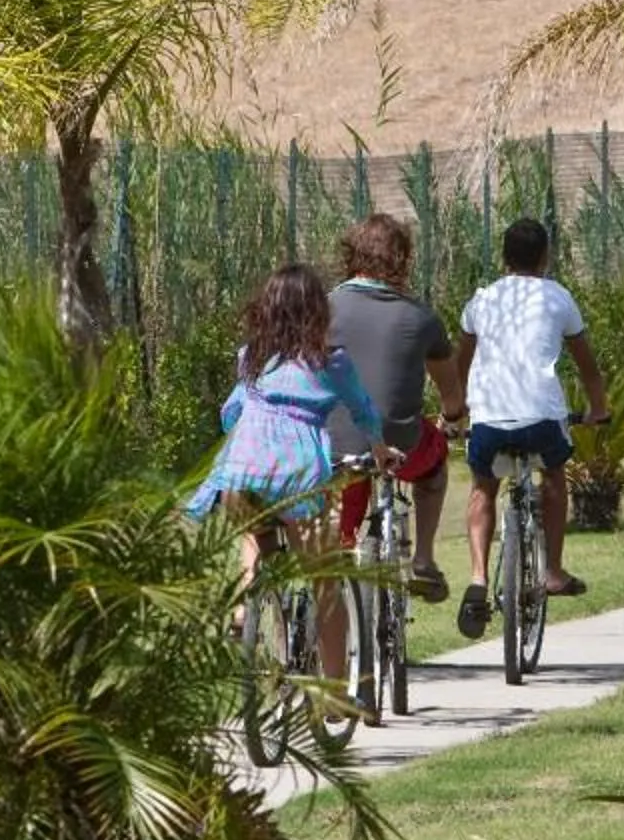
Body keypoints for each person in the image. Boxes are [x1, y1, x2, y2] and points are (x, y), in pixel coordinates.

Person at [187, 263, 389, 681]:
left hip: (240, 476)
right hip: (298, 478)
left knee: (253, 531)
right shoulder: (331, 362)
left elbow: (231, 414)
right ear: (318, 312)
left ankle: (246, 605)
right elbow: (364, 412)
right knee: (325, 582)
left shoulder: (251, 358)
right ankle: (333, 694)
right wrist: (380, 449)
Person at [452, 217, 609, 641]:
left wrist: (459, 408)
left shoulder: (481, 300)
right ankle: (553, 570)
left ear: (504, 257)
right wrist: (598, 409)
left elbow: (460, 362)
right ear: (545, 257)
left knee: (484, 486)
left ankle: (480, 578)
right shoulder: (558, 297)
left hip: (489, 416)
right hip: (541, 414)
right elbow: (588, 367)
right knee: (554, 476)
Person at [328, 214, 466, 601]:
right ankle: (423, 559)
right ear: (402, 260)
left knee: (348, 483)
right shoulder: (421, 317)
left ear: (352, 255)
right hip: (401, 442)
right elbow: (450, 390)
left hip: (335, 443)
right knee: (434, 463)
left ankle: (340, 565)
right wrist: (452, 419)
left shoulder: (323, 308)